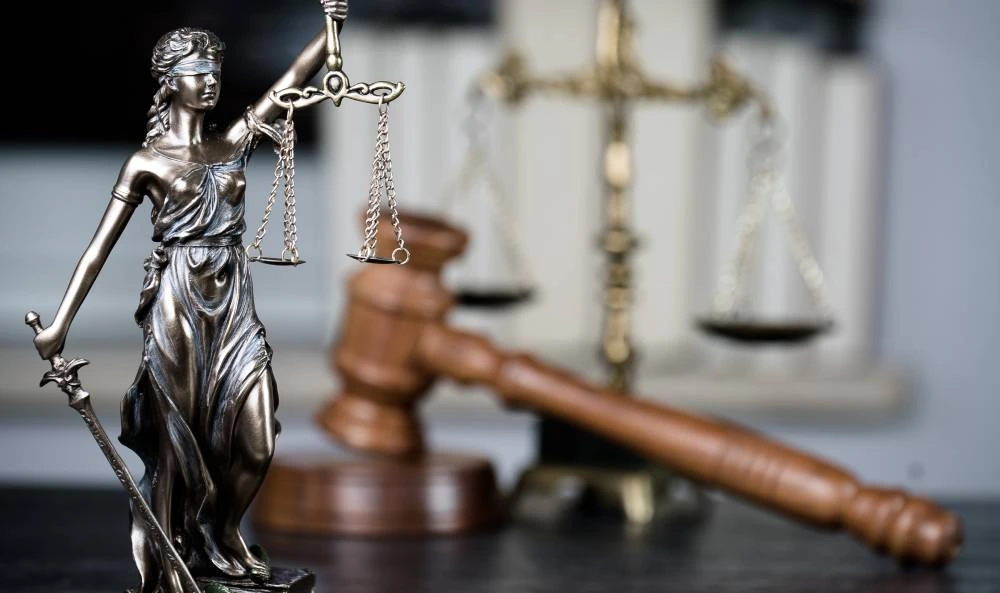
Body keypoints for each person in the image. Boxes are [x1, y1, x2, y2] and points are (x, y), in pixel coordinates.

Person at [32, 25, 328, 593]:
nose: (212, 81)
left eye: (216, 70)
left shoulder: (234, 140)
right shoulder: (146, 161)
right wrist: (60, 326)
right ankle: (173, 569)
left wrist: (331, 25)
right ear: (170, 83)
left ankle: (223, 531)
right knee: (178, 447)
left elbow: (290, 81)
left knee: (258, 437)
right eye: (200, 72)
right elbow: (99, 249)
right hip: (178, 306)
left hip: (234, 303)